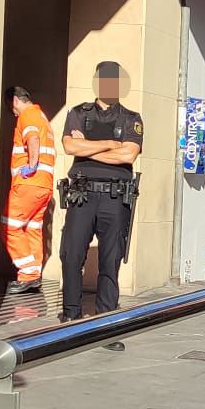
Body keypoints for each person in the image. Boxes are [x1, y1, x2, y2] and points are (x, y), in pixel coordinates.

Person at [58, 62, 143, 328]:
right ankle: (71, 315)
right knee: (71, 255)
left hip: (114, 198)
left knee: (110, 260)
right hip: (82, 194)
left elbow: (128, 154)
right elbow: (70, 146)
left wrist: (88, 148)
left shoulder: (131, 118)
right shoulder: (77, 113)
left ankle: (105, 322)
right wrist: (109, 144)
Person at [3, 86, 56, 295]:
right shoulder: (42, 117)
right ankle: (33, 276)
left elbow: (32, 139)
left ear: (16, 100)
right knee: (32, 228)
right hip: (44, 185)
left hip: (29, 184)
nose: (13, 112)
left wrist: (31, 165)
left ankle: (27, 274)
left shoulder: (28, 115)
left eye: (11, 107)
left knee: (9, 226)